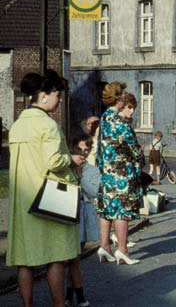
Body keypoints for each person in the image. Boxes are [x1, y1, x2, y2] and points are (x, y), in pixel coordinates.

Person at [7, 70, 85, 307]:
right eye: (57, 95)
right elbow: (54, 162)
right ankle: (58, 304)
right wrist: (71, 159)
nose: (59, 100)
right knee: (56, 257)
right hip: (50, 199)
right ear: (43, 96)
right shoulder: (49, 126)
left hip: (23, 199)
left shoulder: (17, 125)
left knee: (24, 260)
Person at [97, 91, 143, 265]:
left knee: (106, 209)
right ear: (120, 102)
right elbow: (135, 150)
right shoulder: (121, 122)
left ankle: (104, 246)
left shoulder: (105, 117)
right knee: (121, 211)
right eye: (128, 106)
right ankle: (123, 250)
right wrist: (140, 157)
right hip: (122, 173)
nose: (131, 110)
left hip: (107, 171)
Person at [68, 135, 100, 307]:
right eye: (79, 149)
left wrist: (81, 179)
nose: (82, 153)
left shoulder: (93, 170)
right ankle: (75, 296)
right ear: (72, 148)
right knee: (69, 258)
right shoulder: (66, 166)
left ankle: (72, 296)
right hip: (65, 212)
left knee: (75, 258)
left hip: (82, 213)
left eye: (86, 150)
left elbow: (94, 192)